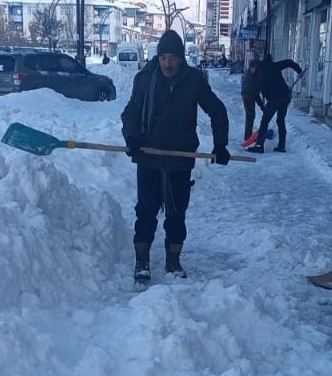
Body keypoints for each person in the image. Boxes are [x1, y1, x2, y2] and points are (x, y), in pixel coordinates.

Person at [120, 30, 231, 286]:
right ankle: (142, 262)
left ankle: (173, 260)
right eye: (163, 57)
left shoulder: (194, 81)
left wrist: (220, 145)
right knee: (146, 210)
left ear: (181, 58)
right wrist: (132, 139)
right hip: (148, 155)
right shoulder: (145, 79)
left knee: (176, 212)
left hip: (180, 158)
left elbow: (217, 110)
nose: (167, 63)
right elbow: (130, 114)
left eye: (172, 57)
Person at [246, 54, 303, 153]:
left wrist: (262, 106)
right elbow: (289, 62)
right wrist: (299, 71)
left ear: (255, 66)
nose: (251, 72)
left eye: (251, 69)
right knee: (280, 120)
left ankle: (259, 145)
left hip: (274, 99)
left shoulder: (260, 72)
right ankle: (281, 146)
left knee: (264, 121)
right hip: (285, 97)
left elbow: (255, 93)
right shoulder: (275, 65)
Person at [240, 59, 265, 142]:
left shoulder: (250, 74)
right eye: (253, 68)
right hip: (247, 96)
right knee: (250, 116)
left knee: (251, 115)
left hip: (248, 95)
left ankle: (248, 136)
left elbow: (256, 92)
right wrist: (261, 105)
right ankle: (247, 137)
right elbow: (256, 92)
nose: (254, 70)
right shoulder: (251, 76)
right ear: (251, 67)